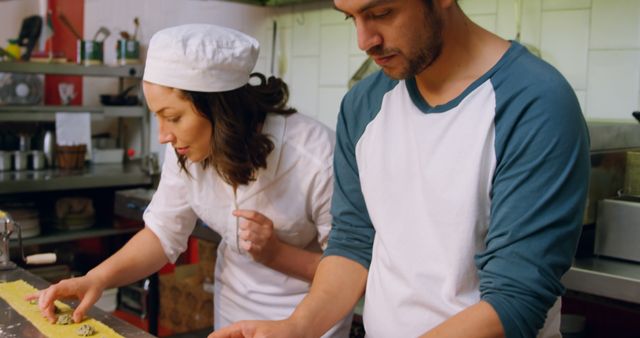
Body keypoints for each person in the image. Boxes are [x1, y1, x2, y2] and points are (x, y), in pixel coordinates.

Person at [210, 0, 590, 337]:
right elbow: (353, 244)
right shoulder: (363, 105)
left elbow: (515, 301)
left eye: (381, 13)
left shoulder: (535, 103)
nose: (364, 40)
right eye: (351, 18)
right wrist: (296, 328)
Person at [29, 24, 352, 337]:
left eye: (173, 117)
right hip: (231, 318)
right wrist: (96, 279)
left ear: (219, 108)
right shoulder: (186, 148)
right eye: (158, 116)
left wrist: (276, 254)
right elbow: (162, 234)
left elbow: (350, 269)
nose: (162, 135)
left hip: (308, 325)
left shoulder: (315, 157)